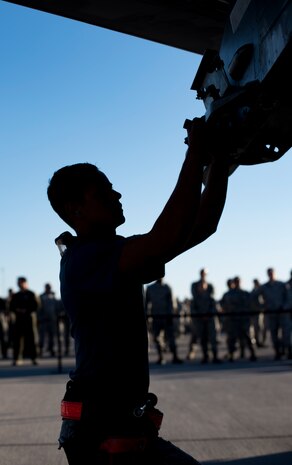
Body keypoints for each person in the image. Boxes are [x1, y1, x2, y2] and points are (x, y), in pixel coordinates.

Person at [47, 117, 230, 465]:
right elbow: (167, 234)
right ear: (76, 210)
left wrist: (219, 160)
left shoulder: (113, 254)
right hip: (103, 433)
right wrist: (196, 152)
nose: (117, 195)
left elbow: (201, 224)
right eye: (103, 192)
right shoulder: (86, 259)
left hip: (121, 427)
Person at [145, 277, 183, 365]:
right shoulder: (150, 288)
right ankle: (161, 356)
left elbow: (172, 303)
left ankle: (175, 356)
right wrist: (148, 317)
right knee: (157, 338)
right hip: (155, 317)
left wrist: (171, 315)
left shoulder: (167, 287)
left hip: (167, 316)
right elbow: (147, 303)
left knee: (171, 337)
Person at [257, 268, 291, 360]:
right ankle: (277, 352)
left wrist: (285, 307)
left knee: (286, 333)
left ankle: (288, 350)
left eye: (272, 273)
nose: (271, 275)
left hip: (282, 313)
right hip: (271, 314)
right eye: (269, 273)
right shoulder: (264, 287)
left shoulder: (282, 285)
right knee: (273, 334)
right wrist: (263, 306)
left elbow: (288, 297)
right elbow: (255, 297)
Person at [189, 268, 220, 364]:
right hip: (200, 320)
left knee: (213, 338)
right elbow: (193, 308)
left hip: (210, 319)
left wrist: (209, 314)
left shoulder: (210, 291)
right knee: (203, 338)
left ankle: (215, 356)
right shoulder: (195, 291)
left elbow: (214, 306)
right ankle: (205, 356)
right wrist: (200, 316)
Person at [9, 277, 39, 366]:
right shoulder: (16, 295)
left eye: (21, 282)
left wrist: (26, 310)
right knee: (17, 340)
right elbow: (11, 307)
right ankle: (17, 358)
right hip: (19, 320)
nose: (20, 284)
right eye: (18, 283)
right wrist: (17, 310)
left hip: (29, 320)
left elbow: (36, 306)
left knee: (32, 339)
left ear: (25, 283)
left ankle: (34, 358)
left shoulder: (31, 294)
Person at [38, 283, 59, 357]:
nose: (49, 289)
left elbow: (56, 307)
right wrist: (40, 318)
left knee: (52, 336)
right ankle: (40, 350)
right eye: (47, 287)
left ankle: (51, 349)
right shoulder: (41, 296)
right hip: (43, 320)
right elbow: (39, 308)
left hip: (52, 319)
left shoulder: (53, 296)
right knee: (42, 336)